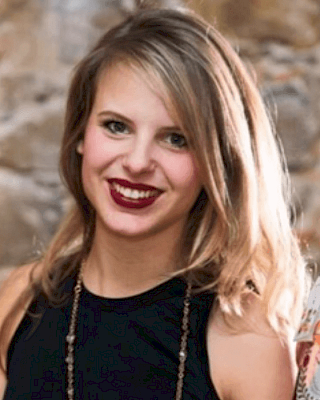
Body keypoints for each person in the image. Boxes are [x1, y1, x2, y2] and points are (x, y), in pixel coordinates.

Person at [0, 6, 306, 400]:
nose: (138, 161)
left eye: (176, 138)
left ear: (217, 161)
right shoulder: (20, 300)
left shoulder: (248, 339)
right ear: (80, 135)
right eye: (116, 126)